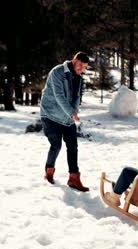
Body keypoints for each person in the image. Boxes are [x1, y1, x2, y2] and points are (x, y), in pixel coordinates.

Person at [40, 51, 89, 192]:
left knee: (73, 145)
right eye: (80, 66)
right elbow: (59, 96)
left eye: (84, 67)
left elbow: (77, 96)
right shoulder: (57, 72)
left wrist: (74, 110)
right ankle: (49, 172)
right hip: (50, 115)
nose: (82, 69)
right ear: (74, 61)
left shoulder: (78, 77)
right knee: (56, 145)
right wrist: (71, 113)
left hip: (67, 117)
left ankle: (74, 178)